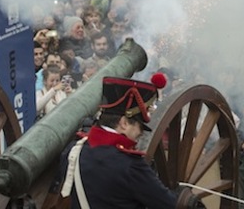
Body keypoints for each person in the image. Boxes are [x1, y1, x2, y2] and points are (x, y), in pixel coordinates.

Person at [59, 74, 200, 209]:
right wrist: (184, 197)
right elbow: (168, 204)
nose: (140, 133)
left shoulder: (74, 150)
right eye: (138, 126)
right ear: (124, 123)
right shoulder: (131, 166)